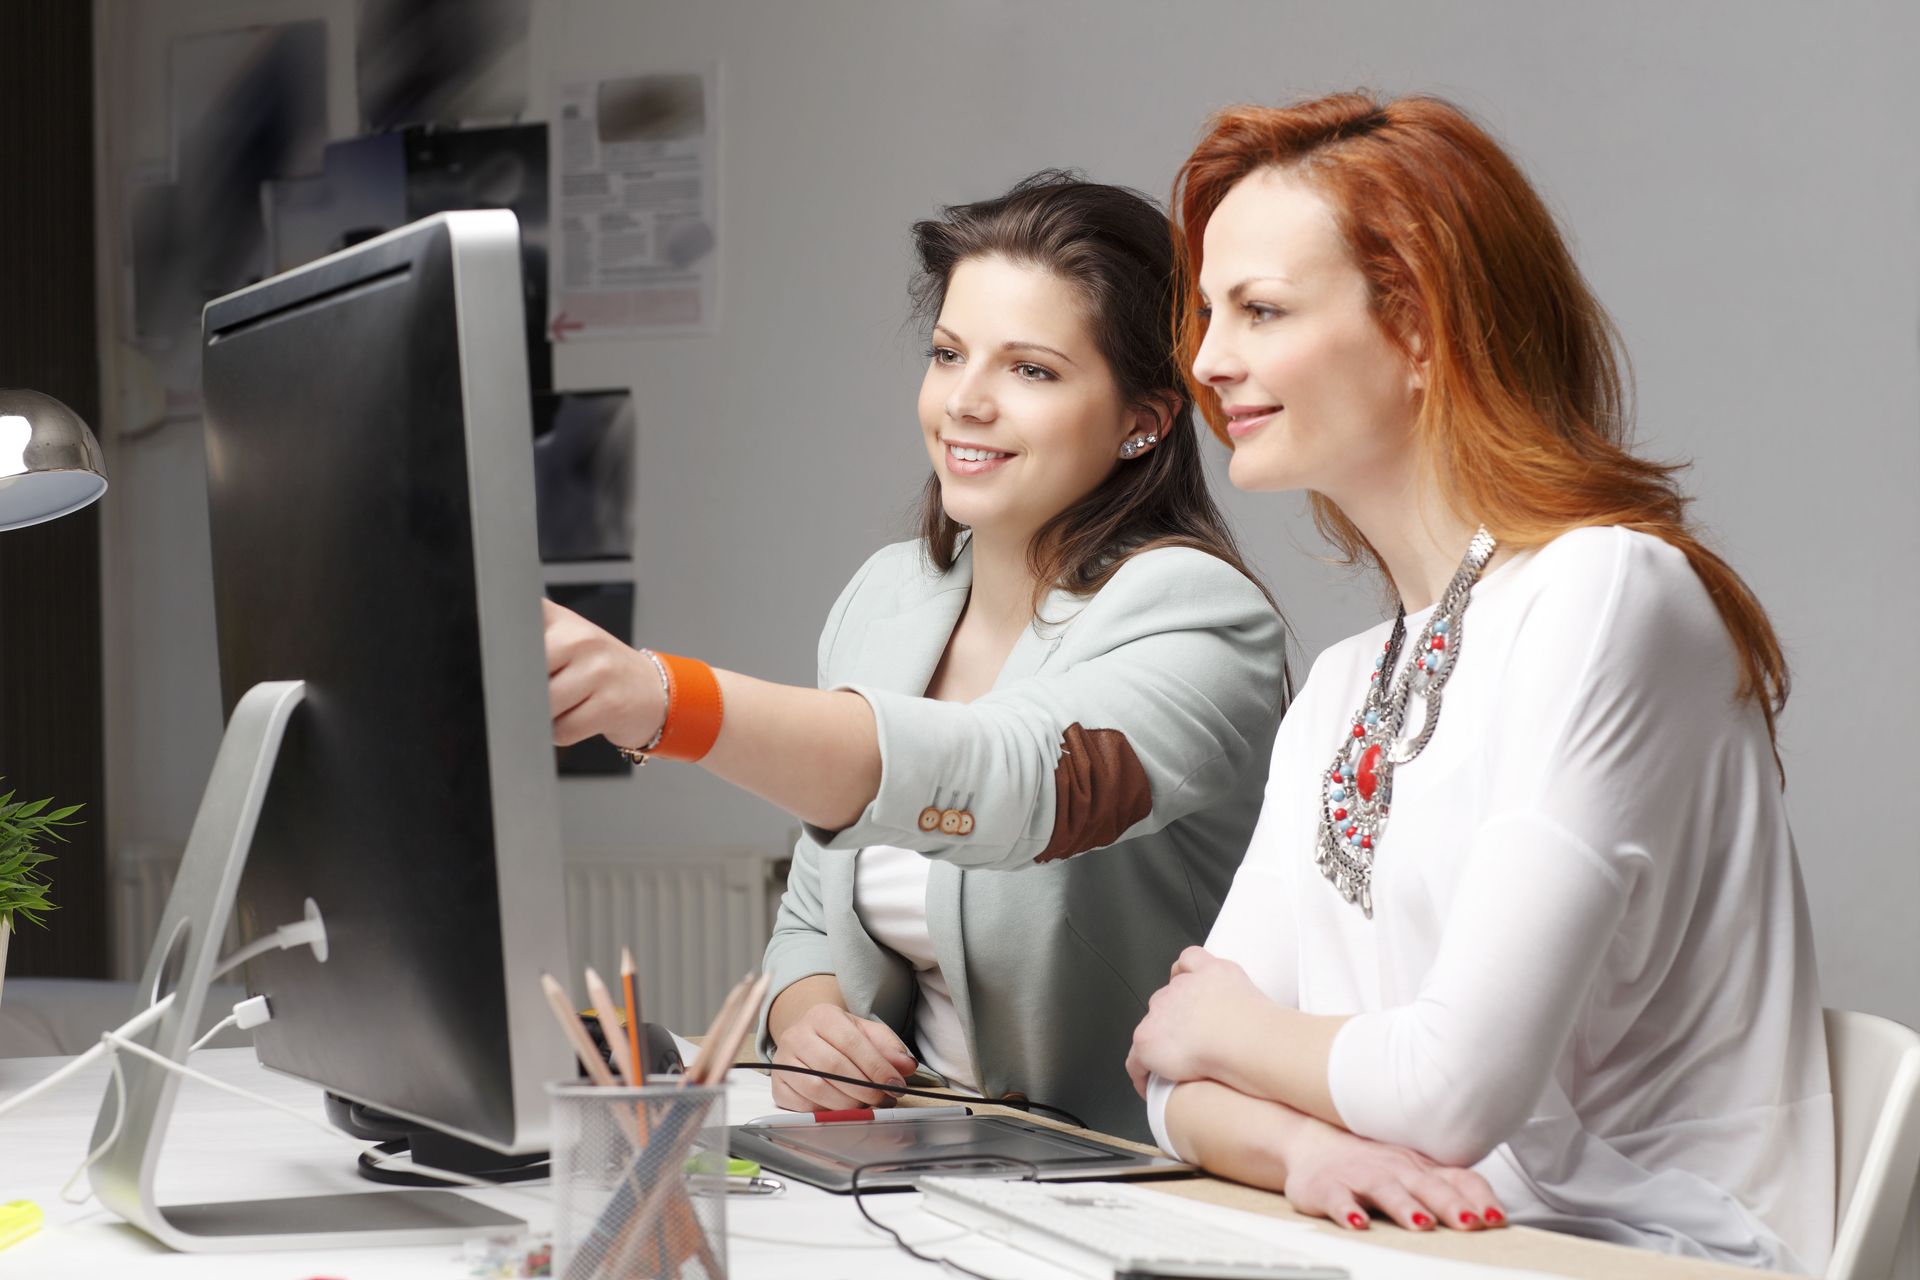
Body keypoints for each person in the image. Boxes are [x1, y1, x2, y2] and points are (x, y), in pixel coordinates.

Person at [1126, 93, 1832, 1271]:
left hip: (1641, 1255)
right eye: (1209, 312)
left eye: (1259, 309)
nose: (1208, 360)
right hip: (1419, 1243)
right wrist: (1310, 1154)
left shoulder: (1609, 591)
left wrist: (1238, 1029)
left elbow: (1449, 1090)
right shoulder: (1345, 685)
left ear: (1417, 327)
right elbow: (1169, 1078)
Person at [545, 172, 1290, 1141]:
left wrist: (661, 698)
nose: (965, 402)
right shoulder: (888, 598)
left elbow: (1015, 778)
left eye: (1031, 369)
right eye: (947, 354)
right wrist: (808, 1022)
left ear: (1143, 418)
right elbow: (811, 914)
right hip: (913, 1158)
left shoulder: (1201, 616)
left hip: (1120, 1170)